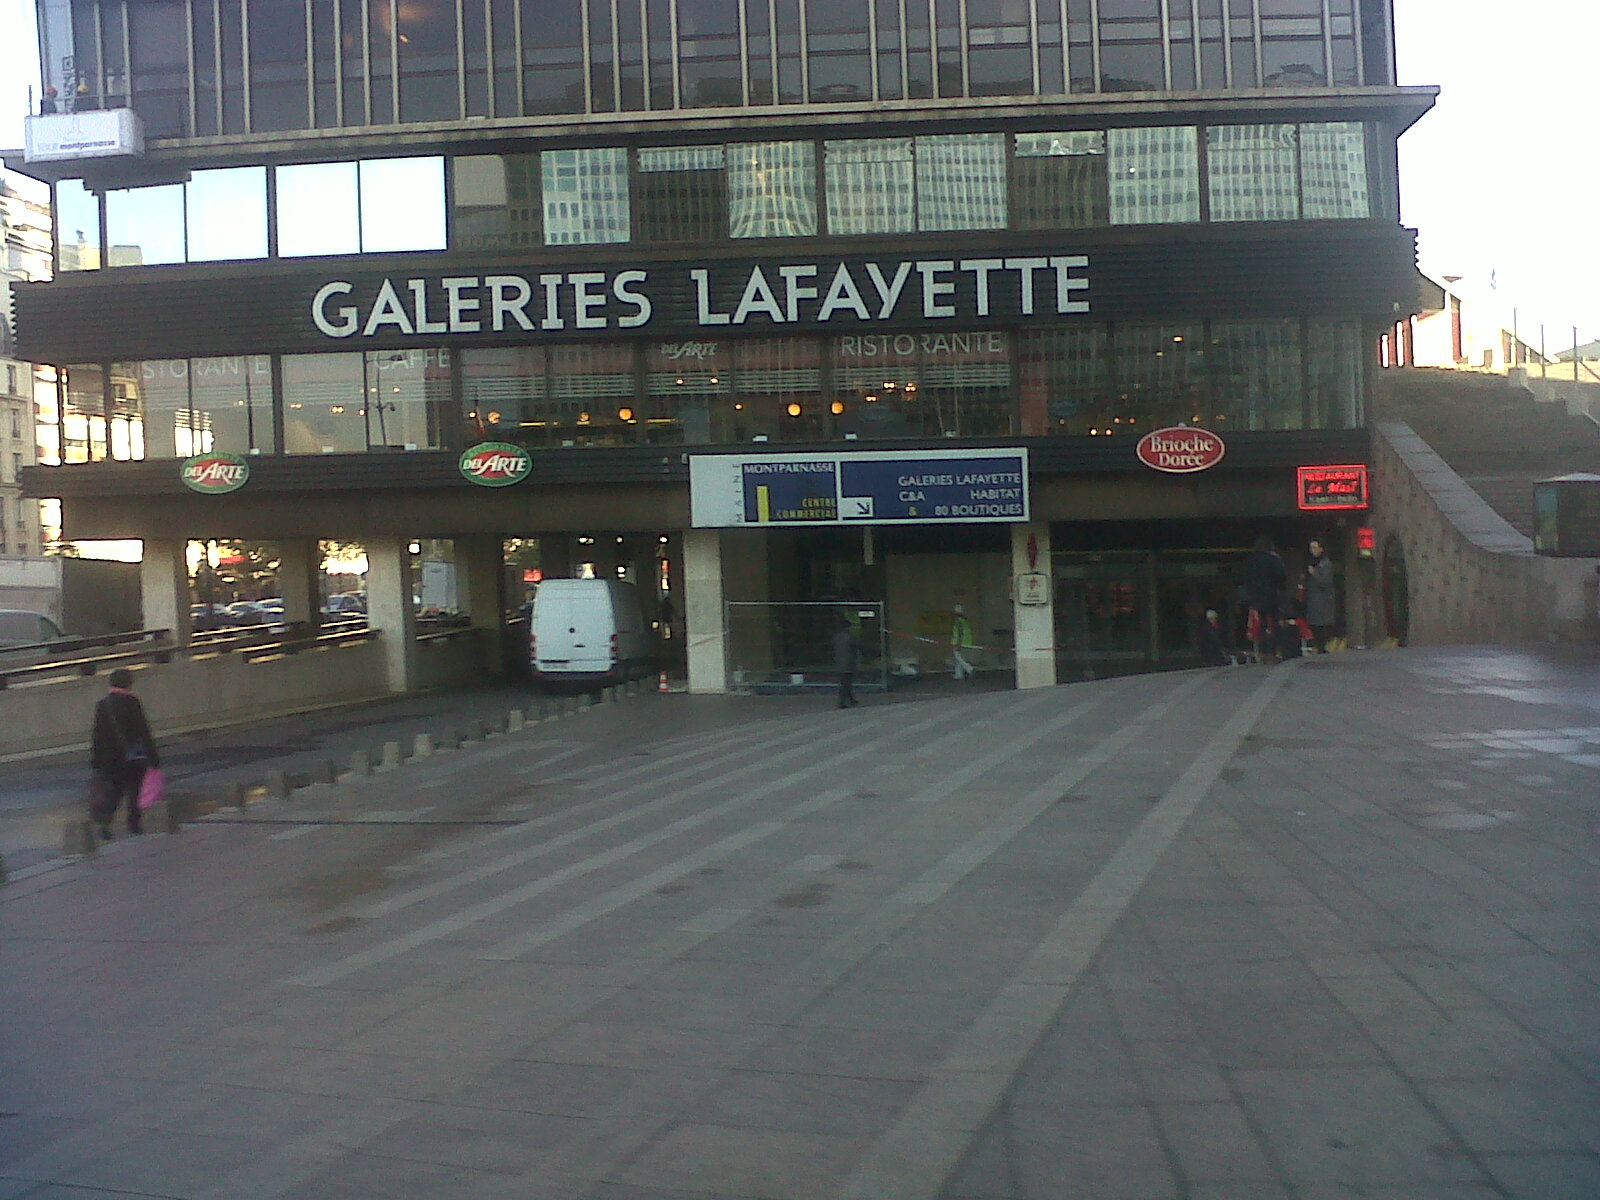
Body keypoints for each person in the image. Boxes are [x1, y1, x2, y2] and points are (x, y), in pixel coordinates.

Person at [90, 668, 159, 839]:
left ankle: (106, 822)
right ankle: (134, 824)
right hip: (133, 756)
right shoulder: (132, 702)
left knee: (115, 790)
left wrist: (96, 761)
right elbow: (143, 731)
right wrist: (153, 755)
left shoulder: (103, 705)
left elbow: (98, 735)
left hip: (112, 758)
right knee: (135, 790)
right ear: (129, 683)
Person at [1242, 535, 1286, 663]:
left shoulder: (1252, 561)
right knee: (1276, 624)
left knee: (1262, 625)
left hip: (1257, 599)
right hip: (1272, 597)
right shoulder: (1273, 559)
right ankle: (1273, 650)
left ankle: (1263, 651)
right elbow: (1282, 576)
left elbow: (1246, 579)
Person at [1303, 538, 1337, 653]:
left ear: (1321, 549)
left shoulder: (1325, 564)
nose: (1312, 550)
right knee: (1314, 625)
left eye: (1314, 547)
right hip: (1313, 600)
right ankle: (1319, 647)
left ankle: (1322, 648)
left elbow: (1326, 582)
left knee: (1320, 626)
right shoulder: (1311, 562)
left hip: (1322, 602)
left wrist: (1314, 574)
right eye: (1311, 548)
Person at [831, 616, 860, 709]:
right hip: (848, 663)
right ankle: (842, 702)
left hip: (839, 663)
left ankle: (851, 699)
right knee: (846, 683)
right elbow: (858, 646)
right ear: (847, 627)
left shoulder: (836, 637)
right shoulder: (850, 637)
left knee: (845, 682)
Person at [950, 603, 977, 681]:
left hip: (959, 643)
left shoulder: (958, 622)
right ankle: (958, 674)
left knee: (958, 657)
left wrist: (958, 643)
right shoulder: (965, 621)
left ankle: (970, 669)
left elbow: (960, 633)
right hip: (967, 642)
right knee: (959, 659)